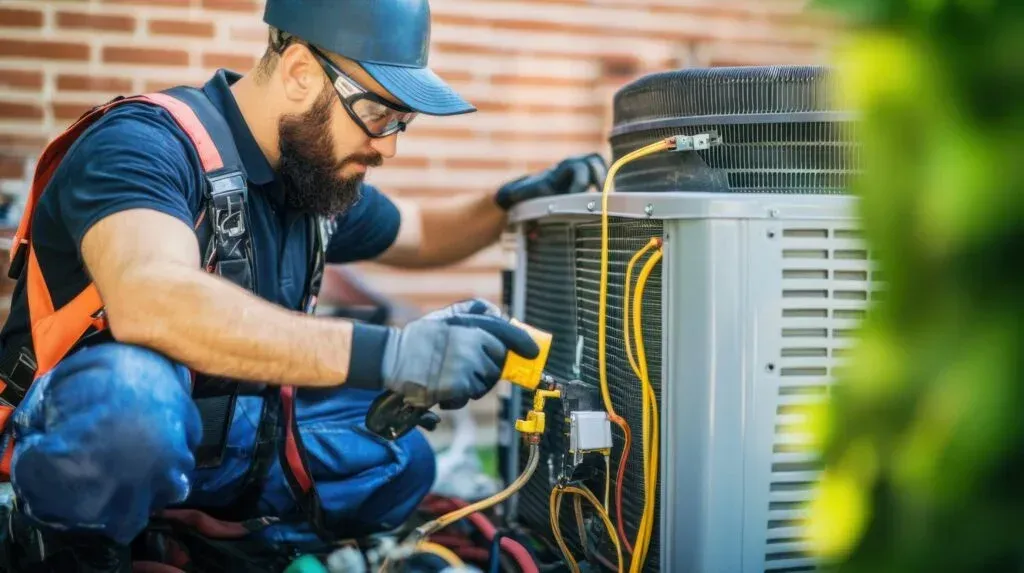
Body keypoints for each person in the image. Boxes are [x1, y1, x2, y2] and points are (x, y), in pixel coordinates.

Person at [0, 0, 607, 570]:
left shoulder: (310, 181)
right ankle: (56, 545)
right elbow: (152, 298)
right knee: (130, 407)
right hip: (85, 436)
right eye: (376, 112)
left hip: (217, 445)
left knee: (400, 459)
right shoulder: (145, 146)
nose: (389, 145)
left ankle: (207, 546)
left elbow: (420, 233)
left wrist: (510, 201)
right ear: (298, 72)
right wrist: (391, 354)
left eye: (403, 120)